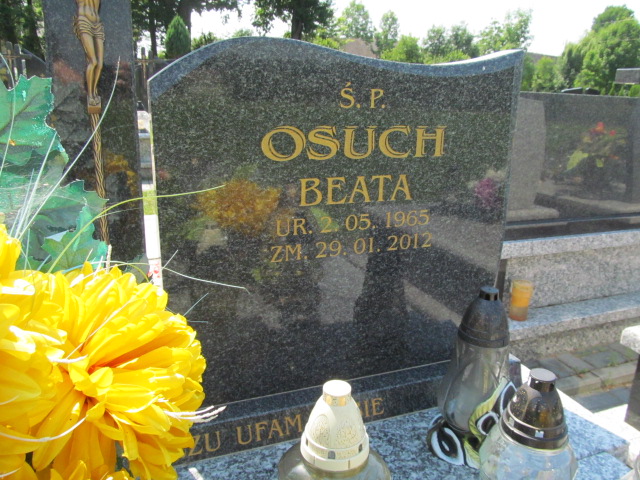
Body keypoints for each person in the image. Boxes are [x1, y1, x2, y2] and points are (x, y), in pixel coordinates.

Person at [74, 0, 104, 107]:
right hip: (84, 20)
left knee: (100, 64)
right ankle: (90, 95)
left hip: (97, 23)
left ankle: (94, 93)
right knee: (93, 61)